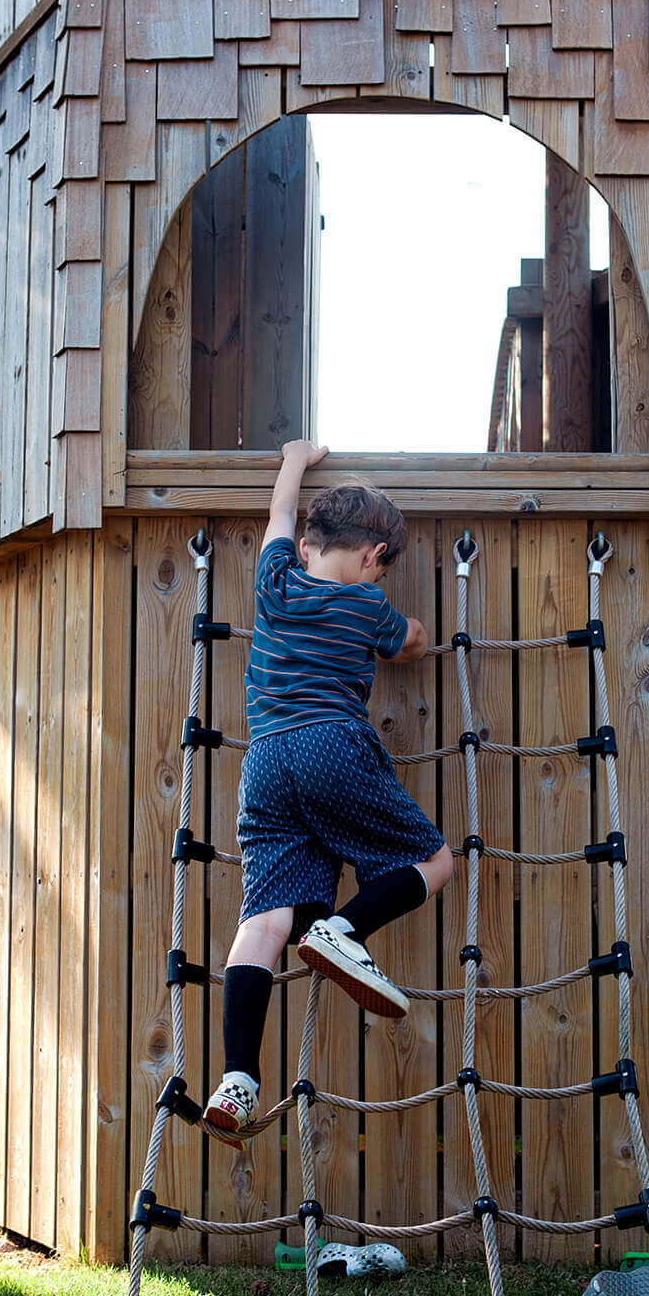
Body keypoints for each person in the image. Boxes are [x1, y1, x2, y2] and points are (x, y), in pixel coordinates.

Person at [204, 440, 454, 1144]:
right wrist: (418, 636)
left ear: (309, 544)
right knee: (436, 862)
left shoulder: (277, 581)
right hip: (331, 745)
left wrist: (293, 458)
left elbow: (280, 509)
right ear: (376, 557)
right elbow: (411, 641)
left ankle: (238, 1081)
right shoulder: (365, 605)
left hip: (267, 762)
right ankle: (343, 931)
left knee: (264, 922)